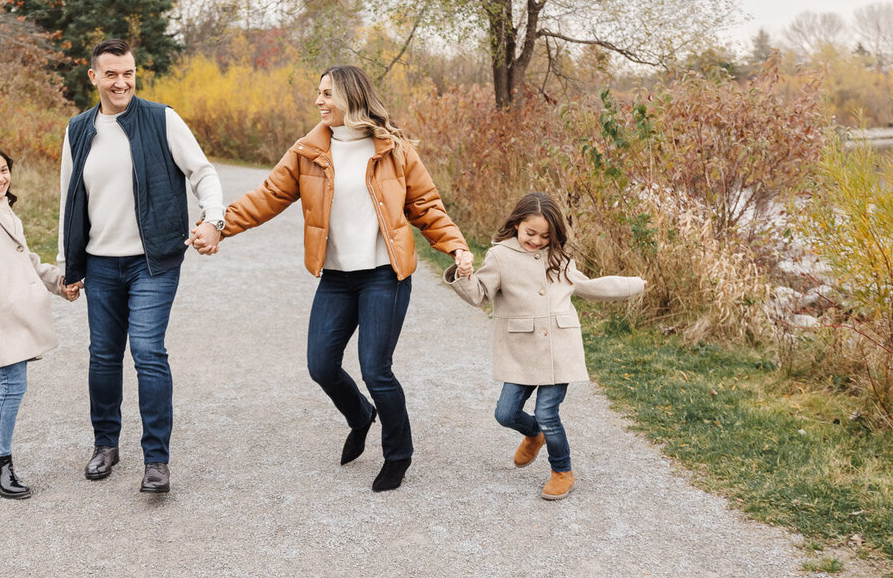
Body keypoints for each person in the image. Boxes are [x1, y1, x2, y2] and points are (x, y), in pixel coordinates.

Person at [193, 65, 473, 492]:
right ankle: (361, 416)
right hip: (338, 277)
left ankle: (398, 455)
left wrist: (455, 245)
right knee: (321, 365)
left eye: (327, 94)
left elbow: (426, 205)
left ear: (352, 97)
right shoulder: (308, 150)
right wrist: (220, 224)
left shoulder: (393, 149)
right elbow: (268, 196)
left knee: (376, 369)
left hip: (385, 275)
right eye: (318, 93)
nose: (319, 101)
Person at [59, 39, 225, 494]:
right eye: (111, 74)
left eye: (128, 73)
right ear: (93, 76)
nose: (121, 82)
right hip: (99, 264)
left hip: (152, 262)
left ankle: (156, 460)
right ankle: (105, 445)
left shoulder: (162, 118)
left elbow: (203, 172)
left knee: (148, 352)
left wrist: (214, 219)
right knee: (104, 356)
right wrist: (66, 265)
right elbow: (68, 202)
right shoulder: (77, 129)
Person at [446, 192, 645, 500]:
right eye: (530, 233)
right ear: (516, 225)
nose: (537, 241)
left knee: (548, 412)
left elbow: (588, 287)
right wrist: (463, 274)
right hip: (520, 351)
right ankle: (533, 434)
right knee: (505, 413)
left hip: (558, 349)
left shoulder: (560, 258)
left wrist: (634, 285)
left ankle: (562, 471)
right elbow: (478, 294)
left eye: (545, 236)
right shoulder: (500, 256)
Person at [0, 143, 80, 500]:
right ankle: (0, 465)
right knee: (14, 384)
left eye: (3, 170)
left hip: (16, 314)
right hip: (0, 314)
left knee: (11, 379)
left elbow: (26, 260)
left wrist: (59, 282)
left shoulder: (4, 209)